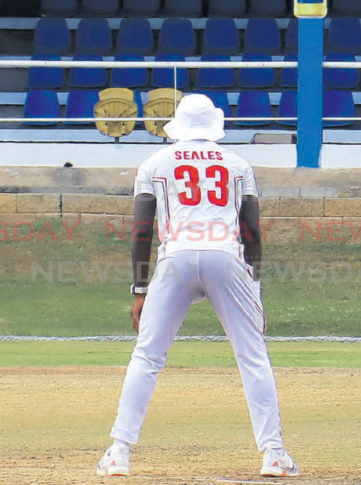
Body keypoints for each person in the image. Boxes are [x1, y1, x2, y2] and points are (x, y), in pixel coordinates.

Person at [96, 95, 298, 477]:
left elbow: (141, 231)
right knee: (252, 355)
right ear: (214, 126)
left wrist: (140, 289)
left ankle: (119, 452)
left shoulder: (155, 164)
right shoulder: (238, 164)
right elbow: (251, 231)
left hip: (176, 257)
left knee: (148, 356)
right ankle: (273, 453)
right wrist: (254, 291)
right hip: (226, 255)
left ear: (178, 125)